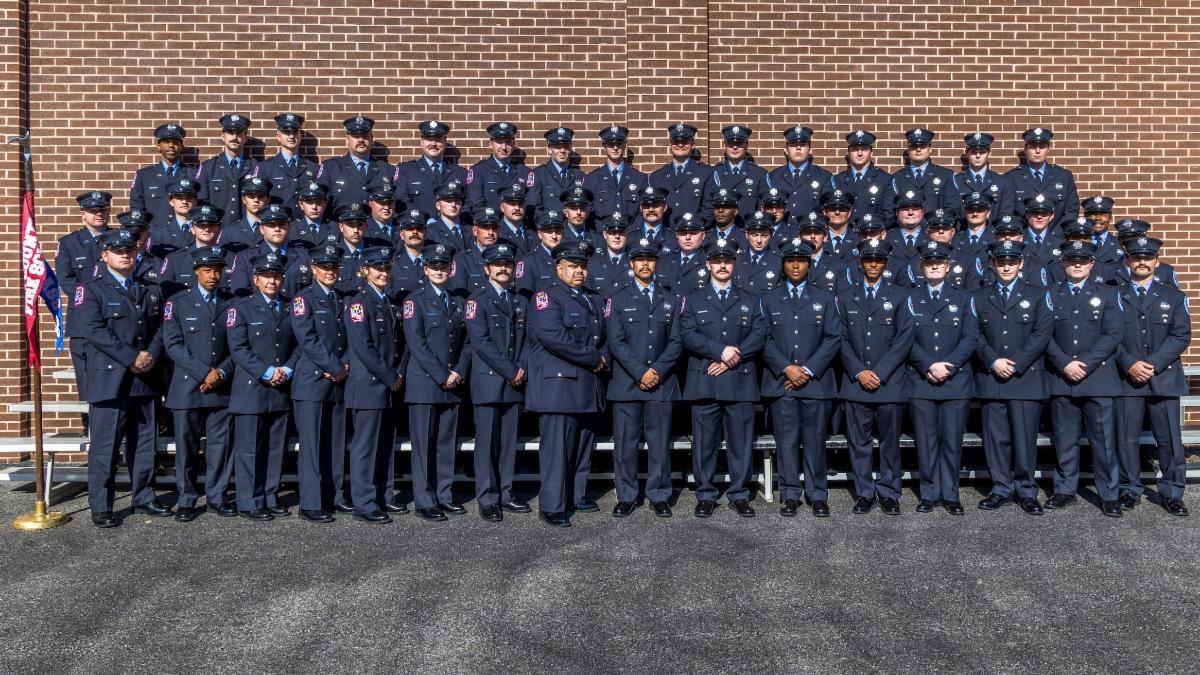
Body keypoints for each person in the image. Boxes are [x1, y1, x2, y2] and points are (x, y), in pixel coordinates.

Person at [75, 229, 168, 527]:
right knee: (106, 446)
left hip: (145, 377)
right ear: (104, 255)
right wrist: (131, 357)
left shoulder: (149, 288)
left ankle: (144, 495)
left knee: (144, 443)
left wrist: (150, 354)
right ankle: (101, 505)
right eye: (118, 250)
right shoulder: (90, 289)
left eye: (129, 249)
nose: (125, 254)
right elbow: (94, 331)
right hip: (111, 380)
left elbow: (159, 328)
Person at [679, 237, 766, 518]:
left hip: (739, 379)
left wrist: (731, 359)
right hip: (705, 379)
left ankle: (739, 494)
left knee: (740, 444)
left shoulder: (751, 300)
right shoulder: (692, 299)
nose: (722, 265)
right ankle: (705, 494)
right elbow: (688, 335)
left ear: (734, 264)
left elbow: (759, 334)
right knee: (704, 443)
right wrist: (720, 351)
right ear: (708, 265)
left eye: (727, 261)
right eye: (717, 261)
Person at [525, 240, 607, 527]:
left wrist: (602, 356)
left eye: (582, 266)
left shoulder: (592, 299)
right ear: (558, 268)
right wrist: (594, 357)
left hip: (587, 384)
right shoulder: (546, 298)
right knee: (557, 450)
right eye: (572, 266)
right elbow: (555, 338)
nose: (579, 271)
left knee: (582, 447)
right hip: (559, 387)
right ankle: (552, 505)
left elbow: (603, 337)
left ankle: (575, 494)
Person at [760, 238, 840, 517]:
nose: (796, 264)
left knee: (816, 440)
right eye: (791, 260)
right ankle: (790, 494)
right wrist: (787, 368)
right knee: (787, 441)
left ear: (810, 264)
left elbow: (833, 338)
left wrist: (806, 370)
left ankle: (817, 494)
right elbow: (764, 339)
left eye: (802, 260)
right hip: (782, 382)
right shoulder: (769, 299)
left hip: (815, 383)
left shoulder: (825, 298)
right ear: (783, 264)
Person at [604, 239, 683, 517]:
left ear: (656, 263)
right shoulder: (618, 298)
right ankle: (626, 495)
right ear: (631, 264)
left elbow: (676, 341)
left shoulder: (670, 298)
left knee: (659, 443)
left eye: (650, 259)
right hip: (628, 383)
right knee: (625, 444)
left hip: (660, 383)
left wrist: (656, 371)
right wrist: (640, 372)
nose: (645, 263)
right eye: (640, 259)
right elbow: (616, 342)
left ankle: (659, 494)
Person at [972, 240, 1052, 514]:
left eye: (1011, 262)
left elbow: (1042, 334)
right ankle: (1001, 487)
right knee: (996, 439)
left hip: (1025, 378)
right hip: (992, 377)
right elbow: (975, 335)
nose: (1006, 266)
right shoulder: (979, 297)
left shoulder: (1039, 294)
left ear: (1021, 264)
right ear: (992, 265)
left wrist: (1016, 364)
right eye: (1001, 262)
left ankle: (1026, 490)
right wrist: (993, 360)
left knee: (1024, 438)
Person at [1044, 241, 1123, 517]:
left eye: (1083, 260)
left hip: (1098, 377)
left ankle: (1109, 494)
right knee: (1064, 438)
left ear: (1092, 264)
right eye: (1071, 260)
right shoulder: (1050, 294)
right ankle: (1065, 489)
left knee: (1104, 441)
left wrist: (1085, 364)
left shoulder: (1108, 294)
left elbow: (1113, 334)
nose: (1077, 264)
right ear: (1063, 263)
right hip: (1062, 376)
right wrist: (1065, 362)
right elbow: (1044, 334)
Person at [837, 239, 914, 515]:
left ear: (885, 263)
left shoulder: (900, 296)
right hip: (856, 382)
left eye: (878, 260)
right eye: (869, 259)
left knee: (889, 443)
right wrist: (860, 371)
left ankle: (889, 492)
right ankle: (864, 492)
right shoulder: (845, 296)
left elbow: (904, 338)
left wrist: (879, 372)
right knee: (858, 443)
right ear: (861, 263)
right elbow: (841, 338)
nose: (873, 264)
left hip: (889, 382)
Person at [1114, 236, 1190, 516]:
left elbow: (1182, 335)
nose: (1142, 262)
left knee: (1169, 438)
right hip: (1127, 377)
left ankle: (1172, 491)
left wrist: (1153, 364)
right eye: (1136, 257)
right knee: (1126, 437)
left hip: (1164, 377)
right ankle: (1129, 489)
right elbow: (1110, 335)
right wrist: (1130, 363)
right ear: (1128, 261)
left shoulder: (1174, 296)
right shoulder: (1115, 295)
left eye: (1147, 258)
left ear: (1157, 262)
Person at [161, 246, 236, 521]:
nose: (213, 275)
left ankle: (217, 496)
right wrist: (204, 372)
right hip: (187, 387)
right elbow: (173, 345)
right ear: (196, 272)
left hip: (221, 387)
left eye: (218, 270)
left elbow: (237, 346)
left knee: (221, 446)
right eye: (207, 270)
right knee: (187, 447)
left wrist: (222, 373)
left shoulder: (231, 303)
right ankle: (187, 499)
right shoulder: (177, 303)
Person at [906, 242, 979, 514]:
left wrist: (948, 366)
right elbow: (905, 338)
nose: (934, 266)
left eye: (939, 262)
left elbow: (971, 336)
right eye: (929, 262)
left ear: (948, 267)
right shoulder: (910, 299)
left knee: (951, 440)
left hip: (955, 380)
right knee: (925, 441)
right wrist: (928, 363)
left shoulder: (964, 298)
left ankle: (951, 493)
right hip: (921, 379)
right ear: (921, 268)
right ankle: (929, 493)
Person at [226, 252, 298, 521]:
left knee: (274, 447)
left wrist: (287, 369)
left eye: (277, 276)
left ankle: (269, 495)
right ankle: (249, 501)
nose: (272, 281)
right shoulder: (240, 308)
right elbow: (239, 349)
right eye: (267, 276)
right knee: (249, 449)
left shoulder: (291, 307)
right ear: (256, 279)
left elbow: (299, 344)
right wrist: (267, 372)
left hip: (281, 387)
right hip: (252, 388)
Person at [402, 243, 472, 522]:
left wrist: (459, 371)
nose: (439, 271)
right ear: (425, 269)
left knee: (446, 444)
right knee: (424, 445)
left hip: (453, 383)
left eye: (444, 266)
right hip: (425, 384)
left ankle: (445, 495)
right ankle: (424, 499)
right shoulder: (414, 301)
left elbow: (467, 342)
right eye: (434, 266)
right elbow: (416, 344)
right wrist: (443, 375)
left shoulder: (458, 301)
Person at [464, 243, 531, 522]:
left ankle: (505, 491)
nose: (503, 268)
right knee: (487, 444)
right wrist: (510, 370)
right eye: (497, 264)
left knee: (507, 443)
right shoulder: (476, 301)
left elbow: (527, 340)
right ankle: (488, 497)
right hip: (490, 382)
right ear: (487, 269)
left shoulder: (520, 301)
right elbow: (481, 343)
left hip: (514, 382)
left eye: (507, 264)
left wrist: (522, 368)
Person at [343, 246, 407, 523]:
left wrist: (399, 373)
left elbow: (399, 346)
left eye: (387, 268)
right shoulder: (359, 304)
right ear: (365, 270)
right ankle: (365, 503)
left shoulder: (388, 303)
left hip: (389, 386)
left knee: (384, 445)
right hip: (369, 386)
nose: (383, 273)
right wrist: (390, 377)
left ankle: (384, 496)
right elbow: (363, 348)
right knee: (365, 448)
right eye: (377, 268)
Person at [290, 244, 351, 523]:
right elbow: (307, 339)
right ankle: (310, 503)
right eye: (324, 267)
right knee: (313, 444)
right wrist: (334, 366)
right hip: (312, 381)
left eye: (334, 267)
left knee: (335, 442)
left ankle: (334, 495)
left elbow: (352, 337)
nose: (330, 272)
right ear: (314, 269)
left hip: (338, 381)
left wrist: (344, 365)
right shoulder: (303, 299)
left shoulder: (344, 299)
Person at [58, 190, 111, 411]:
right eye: (93, 210)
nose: (99, 214)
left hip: (114, 318)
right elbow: (66, 279)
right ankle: (89, 422)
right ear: (83, 214)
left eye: (103, 209)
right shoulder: (69, 243)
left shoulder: (120, 239)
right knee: (86, 376)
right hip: (82, 323)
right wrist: (91, 301)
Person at [317, 115, 394, 217]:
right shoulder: (331, 168)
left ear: (371, 139)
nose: (361, 140)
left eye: (365, 135)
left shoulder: (387, 170)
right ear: (347, 140)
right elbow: (320, 202)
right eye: (356, 136)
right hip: (342, 229)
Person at [393, 120, 468, 219]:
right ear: (421, 142)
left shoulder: (460, 173)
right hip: (420, 230)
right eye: (428, 139)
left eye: (438, 139)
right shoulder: (406, 171)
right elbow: (401, 202)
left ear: (445, 141)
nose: (433, 143)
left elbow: (468, 203)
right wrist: (423, 221)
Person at [1007, 127, 1079, 230]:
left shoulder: (1064, 177)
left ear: (1048, 149)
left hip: (1056, 239)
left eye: (1042, 147)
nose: (1037, 151)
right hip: (1023, 239)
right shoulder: (1011, 178)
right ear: (1025, 149)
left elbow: (1072, 211)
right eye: (1032, 147)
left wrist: (1056, 235)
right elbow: (1008, 212)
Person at [195, 113, 258, 228]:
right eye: (230, 132)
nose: (234, 137)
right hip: (218, 232)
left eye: (239, 133)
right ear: (222, 135)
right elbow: (201, 202)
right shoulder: (208, 167)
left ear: (245, 137)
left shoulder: (256, 167)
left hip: (248, 232)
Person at [891, 127, 964, 222]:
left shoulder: (945, 175)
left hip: (937, 231)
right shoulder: (897, 177)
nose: (918, 149)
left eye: (923, 146)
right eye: (914, 146)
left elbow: (953, 207)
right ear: (908, 150)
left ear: (930, 149)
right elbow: (892, 210)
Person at [130, 123, 194, 229]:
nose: (171, 145)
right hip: (155, 237)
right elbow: (137, 209)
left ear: (181, 147)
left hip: (185, 235)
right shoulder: (144, 175)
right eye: (166, 142)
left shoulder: (193, 174)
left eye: (175, 142)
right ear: (158, 147)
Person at [648, 123, 713, 224]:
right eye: (676, 141)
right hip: (665, 236)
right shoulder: (657, 177)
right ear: (670, 143)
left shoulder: (706, 173)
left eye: (685, 141)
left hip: (693, 234)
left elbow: (709, 210)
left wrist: (689, 229)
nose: (680, 144)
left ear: (693, 144)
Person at [258, 113, 319, 218]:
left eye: (295, 132)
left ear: (300, 136)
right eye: (286, 132)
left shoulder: (313, 168)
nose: (291, 136)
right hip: (278, 226)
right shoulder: (265, 167)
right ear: (278, 136)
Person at [768, 125, 834, 220]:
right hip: (781, 233)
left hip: (810, 233)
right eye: (793, 145)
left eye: (803, 145)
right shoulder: (773, 177)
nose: (798, 148)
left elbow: (829, 211)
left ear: (810, 150)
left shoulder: (823, 177)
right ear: (786, 150)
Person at [583, 125, 647, 221]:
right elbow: (588, 213)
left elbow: (643, 213)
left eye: (619, 143)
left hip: (631, 234)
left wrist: (631, 233)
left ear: (625, 145)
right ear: (604, 146)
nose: (615, 147)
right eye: (610, 144)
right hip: (601, 234)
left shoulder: (639, 179)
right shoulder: (592, 179)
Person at [466, 121, 533, 212]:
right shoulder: (478, 170)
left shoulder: (525, 172)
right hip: (490, 224)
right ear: (491, 144)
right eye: (499, 142)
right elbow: (476, 204)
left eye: (508, 142)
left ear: (513, 144)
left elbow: (530, 204)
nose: (504, 147)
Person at [832, 130, 895, 228]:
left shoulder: (884, 180)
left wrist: (872, 232)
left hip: (871, 235)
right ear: (848, 152)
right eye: (855, 149)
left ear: (871, 152)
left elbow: (889, 214)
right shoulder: (837, 180)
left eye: (864, 149)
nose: (860, 153)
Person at [707, 124, 767, 220]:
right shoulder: (714, 172)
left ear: (746, 145)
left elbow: (764, 207)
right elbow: (708, 205)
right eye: (731, 143)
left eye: (739, 143)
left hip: (749, 231)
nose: (735, 147)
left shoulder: (759, 174)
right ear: (725, 145)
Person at [954, 133, 1013, 227]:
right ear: (967, 153)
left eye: (982, 152)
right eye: (973, 152)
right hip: (963, 236)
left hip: (993, 237)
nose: (978, 156)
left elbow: (1005, 214)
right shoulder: (956, 181)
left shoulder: (1001, 182)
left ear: (989, 153)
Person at [527, 126, 585, 219]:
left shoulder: (580, 176)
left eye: (566, 146)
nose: (562, 150)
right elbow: (534, 208)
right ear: (549, 150)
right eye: (557, 147)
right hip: (550, 230)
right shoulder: (538, 174)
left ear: (570, 149)